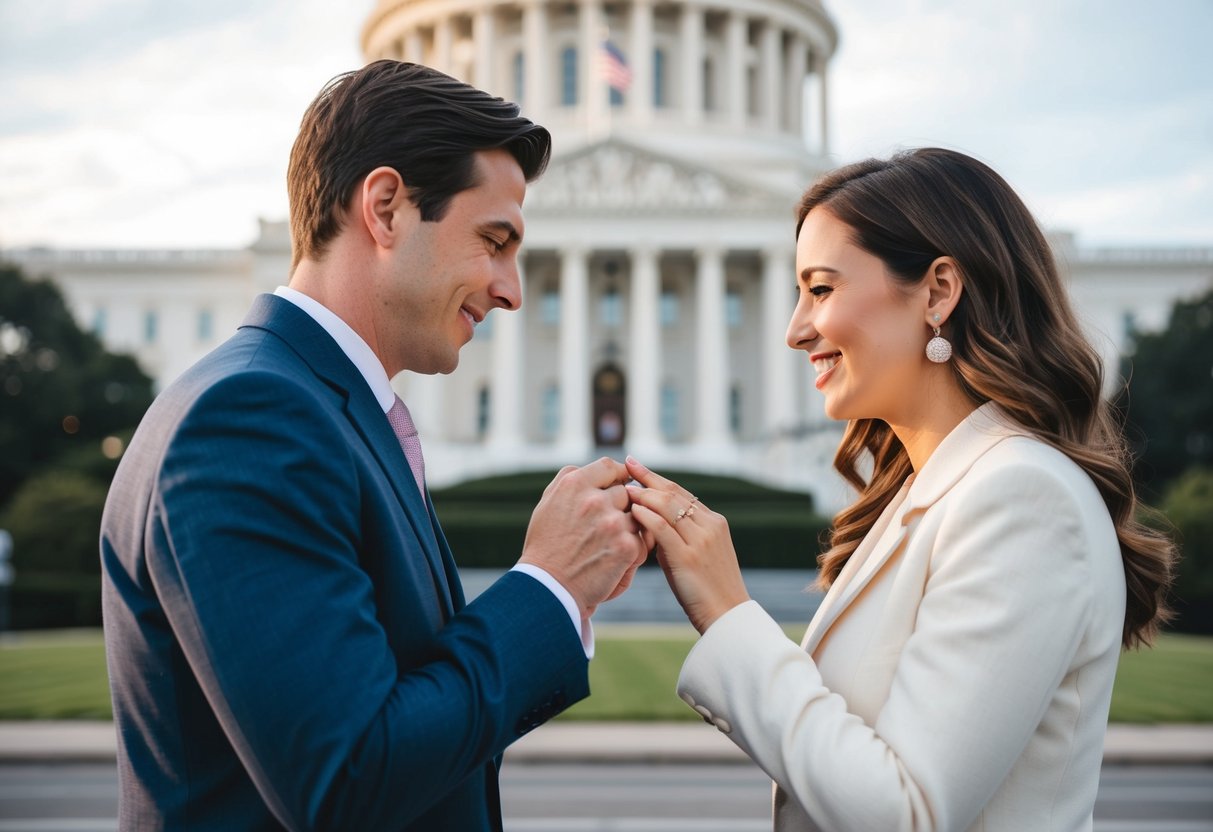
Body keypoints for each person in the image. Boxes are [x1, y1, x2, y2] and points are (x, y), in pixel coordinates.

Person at [100, 60, 648, 830]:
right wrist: (550, 587)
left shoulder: (326, 411)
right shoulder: (249, 420)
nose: (511, 289)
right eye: (493, 242)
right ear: (386, 209)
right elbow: (348, 779)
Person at [626, 148, 1174, 831]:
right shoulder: (935, 494)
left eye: (820, 289)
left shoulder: (1022, 499)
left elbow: (904, 812)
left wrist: (729, 614)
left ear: (938, 292)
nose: (795, 331)